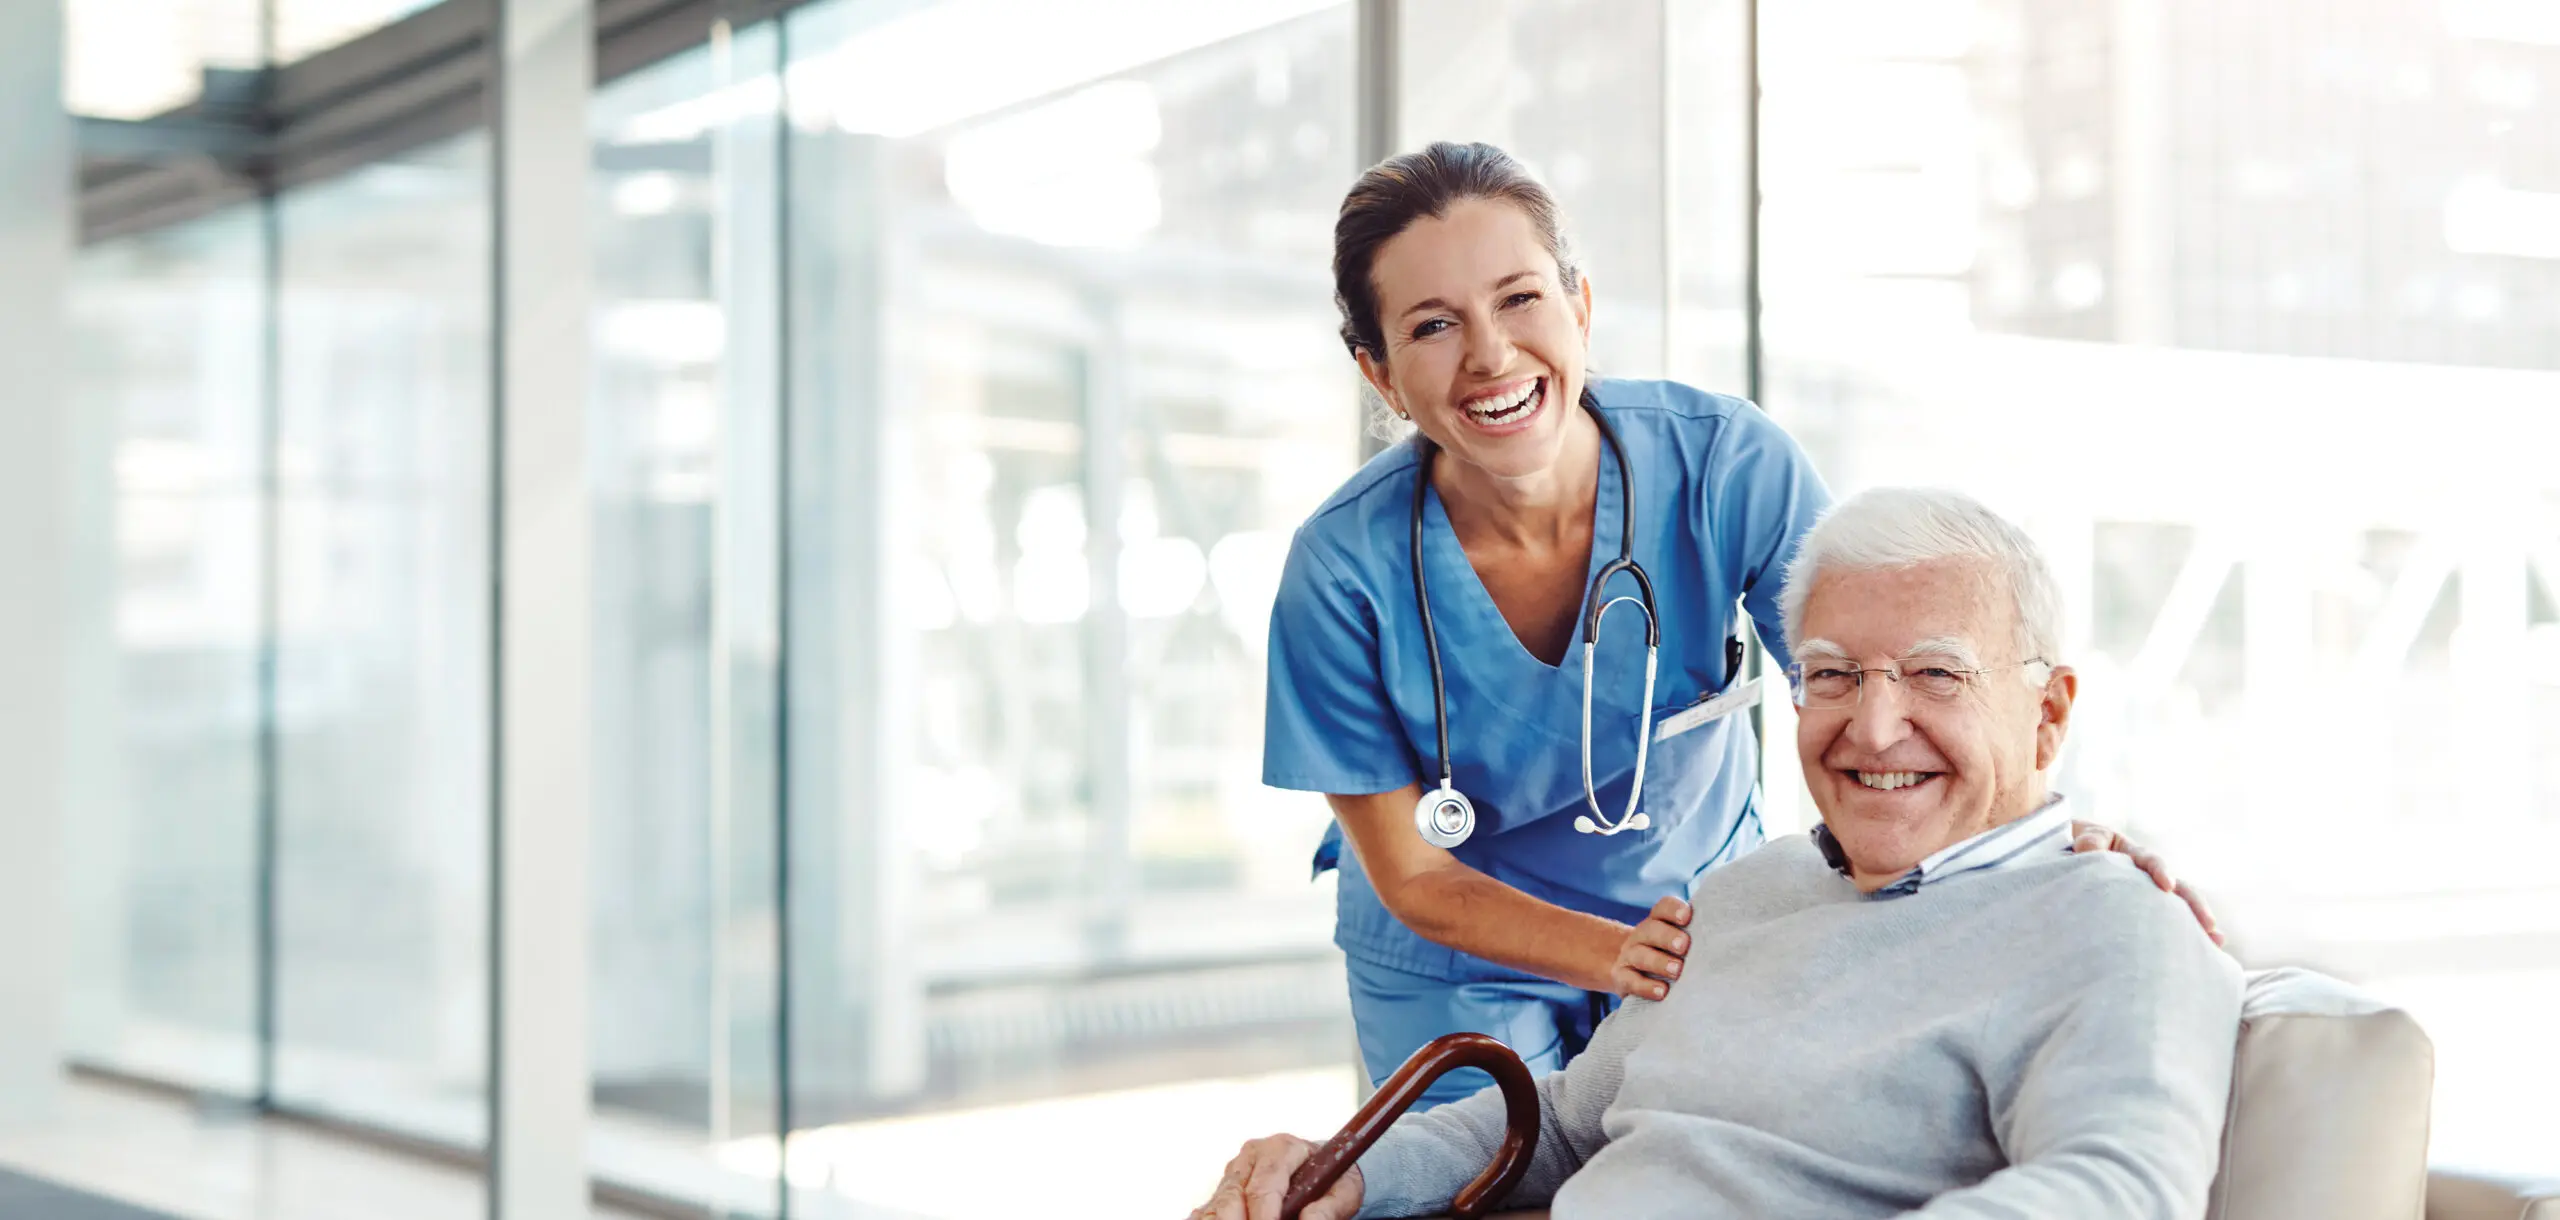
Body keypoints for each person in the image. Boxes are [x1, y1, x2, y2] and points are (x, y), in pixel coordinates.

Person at [1262, 141, 2218, 1109]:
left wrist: (2046, 843)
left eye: (1520, 299)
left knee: (1687, 1169)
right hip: (1454, 956)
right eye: (1433, 325)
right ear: (1378, 375)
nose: (1491, 353)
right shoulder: (1340, 572)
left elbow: (1881, 706)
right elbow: (1416, 873)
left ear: (1579, 308)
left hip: (1692, 918)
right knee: (1483, 1168)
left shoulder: (1725, 468)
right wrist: (1617, 952)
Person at [1207, 488, 2245, 1220]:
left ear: (2047, 712)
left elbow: (2115, 1186)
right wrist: (1344, 1167)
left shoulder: (2112, 921)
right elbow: (1567, 1121)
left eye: (1934, 673)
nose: (1873, 727)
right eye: (1832, 674)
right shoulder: (1753, 888)